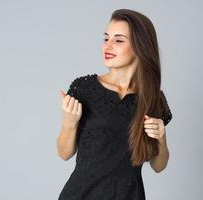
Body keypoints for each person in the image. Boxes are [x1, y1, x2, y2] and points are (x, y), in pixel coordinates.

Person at [56, 8, 172, 200]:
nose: (107, 46)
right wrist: (69, 123)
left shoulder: (153, 98)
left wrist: (161, 138)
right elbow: (64, 153)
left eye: (118, 40)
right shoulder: (84, 88)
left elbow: (159, 166)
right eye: (106, 38)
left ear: (140, 46)